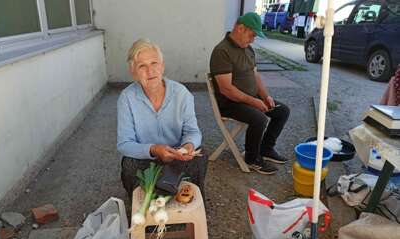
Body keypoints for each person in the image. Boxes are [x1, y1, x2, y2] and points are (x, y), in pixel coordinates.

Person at [117, 39, 207, 197]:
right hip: (145, 157)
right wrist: (153, 149)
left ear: (162, 66)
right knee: (129, 164)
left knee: (201, 156)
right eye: (142, 66)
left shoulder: (181, 94)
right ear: (133, 72)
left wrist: (188, 146)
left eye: (154, 63)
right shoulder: (127, 98)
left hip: (177, 156)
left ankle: (187, 202)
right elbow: (124, 144)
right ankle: (144, 208)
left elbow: (193, 131)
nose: (150, 71)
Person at [210, 12, 290, 175]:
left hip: (249, 99)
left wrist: (265, 96)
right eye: (252, 35)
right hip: (230, 103)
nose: (253, 39)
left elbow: (256, 76)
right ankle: (252, 159)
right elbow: (226, 89)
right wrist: (254, 102)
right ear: (240, 28)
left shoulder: (248, 49)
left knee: (282, 111)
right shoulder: (222, 51)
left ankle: (266, 149)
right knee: (259, 119)